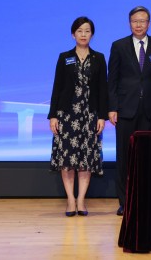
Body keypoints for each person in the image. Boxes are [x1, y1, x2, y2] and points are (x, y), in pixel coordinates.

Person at [108, 6, 151, 216]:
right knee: (124, 157)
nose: (139, 25)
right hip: (126, 110)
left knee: (150, 157)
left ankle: (148, 199)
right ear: (129, 23)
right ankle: (125, 202)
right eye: (135, 21)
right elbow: (112, 79)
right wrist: (112, 108)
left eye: (143, 21)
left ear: (149, 23)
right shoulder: (119, 46)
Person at [48, 16, 107, 217]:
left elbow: (102, 89)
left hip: (89, 115)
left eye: (87, 31)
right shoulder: (64, 57)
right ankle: (70, 200)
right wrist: (53, 115)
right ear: (73, 34)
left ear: (92, 34)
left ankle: (81, 200)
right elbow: (57, 87)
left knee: (86, 159)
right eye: (80, 31)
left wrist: (102, 116)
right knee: (67, 159)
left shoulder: (99, 58)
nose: (83, 34)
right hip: (67, 115)